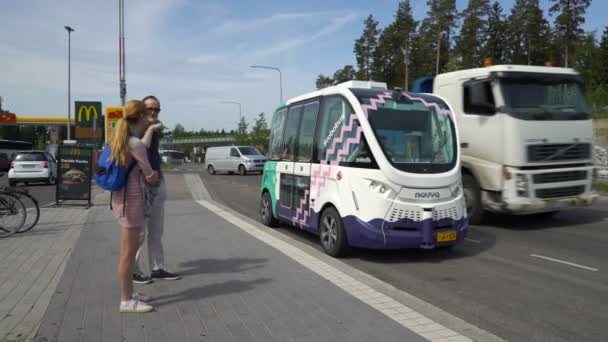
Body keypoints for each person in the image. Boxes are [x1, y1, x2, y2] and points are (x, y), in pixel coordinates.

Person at [110, 100, 159, 313]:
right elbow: (149, 175)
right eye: (146, 115)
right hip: (133, 202)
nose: (149, 118)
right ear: (139, 118)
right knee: (128, 254)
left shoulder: (118, 138)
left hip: (120, 200)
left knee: (126, 252)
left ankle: (128, 293)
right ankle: (126, 301)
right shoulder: (135, 144)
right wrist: (153, 175)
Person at [133, 95, 181, 284]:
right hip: (142, 184)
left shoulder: (155, 129)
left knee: (156, 230)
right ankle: (134, 269)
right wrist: (152, 127)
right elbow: (140, 148)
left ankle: (157, 267)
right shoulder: (136, 129)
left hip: (157, 180)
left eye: (156, 109)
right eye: (149, 109)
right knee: (140, 231)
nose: (153, 112)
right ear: (141, 111)